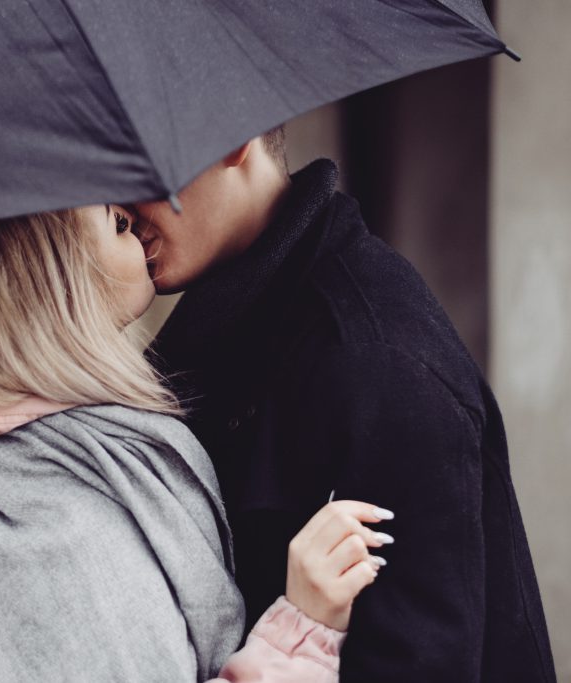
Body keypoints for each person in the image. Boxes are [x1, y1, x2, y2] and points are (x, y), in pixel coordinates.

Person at [0, 207, 393, 682]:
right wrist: (300, 637)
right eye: (112, 217)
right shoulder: (54, 516)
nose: (134, 211)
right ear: (41, 278)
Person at [140, 131, 557, 682]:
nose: (114, 207)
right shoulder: (231, 327)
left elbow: (421, 664)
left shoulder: (373, 358)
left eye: (130, 164)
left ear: (228, 137)